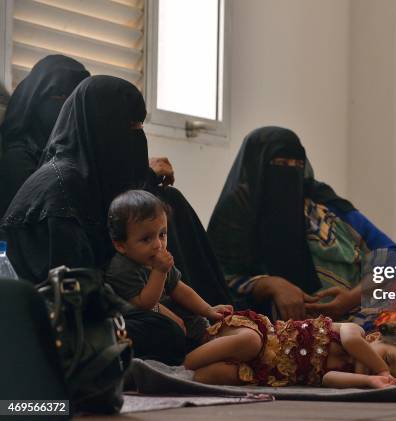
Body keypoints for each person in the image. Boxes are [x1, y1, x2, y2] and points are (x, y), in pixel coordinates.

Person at [0, 75, 186, 364]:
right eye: (129, 128)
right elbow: (73, 293)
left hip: (81, 310)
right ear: (100, 129)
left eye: (140, 127)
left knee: (175, 321)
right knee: (165, 332)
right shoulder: (61, 189)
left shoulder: (85, 180)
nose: (137, 137)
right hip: (46, 322)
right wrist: (153, 311)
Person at [208, 126, 396, 322]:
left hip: (361, 307)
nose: (289, 172)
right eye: (280, 163)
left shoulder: (324, 203)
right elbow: (217, 279)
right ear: (256, 167)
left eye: (297, 164)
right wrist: (270, 284)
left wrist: (352, 298)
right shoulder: (236, 214)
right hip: (283, 329)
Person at [106, 189, 233, 346]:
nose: (158, 245)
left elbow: (179, 289)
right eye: (146, 239)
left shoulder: (157, 259)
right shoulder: (121, 269)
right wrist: (159, 272)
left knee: (247, 338)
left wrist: (208, 310)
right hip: (162, 336)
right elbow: (145, 304)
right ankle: (191, 363)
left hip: (190, 327)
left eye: (162, 234)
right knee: (245, 343)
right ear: (120, 245)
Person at [184, 311, 396, 388]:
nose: (381, 368)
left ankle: (192, 373)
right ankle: (187, 359)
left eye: (388, 375)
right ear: (375, 337)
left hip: (262, 370)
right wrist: (382, 368)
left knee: (219, 377)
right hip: (259, 336)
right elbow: (355, 344)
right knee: (250, 342)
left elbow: (328, 379)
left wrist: (371, 381)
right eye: (386, 357)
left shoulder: (349, 373)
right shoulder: (355, 333)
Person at [0, 55, 89, 218]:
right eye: (60, 97)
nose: (67, 110)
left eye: (73, 101)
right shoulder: (18, 161)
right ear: (36, 100)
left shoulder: (80, 156)